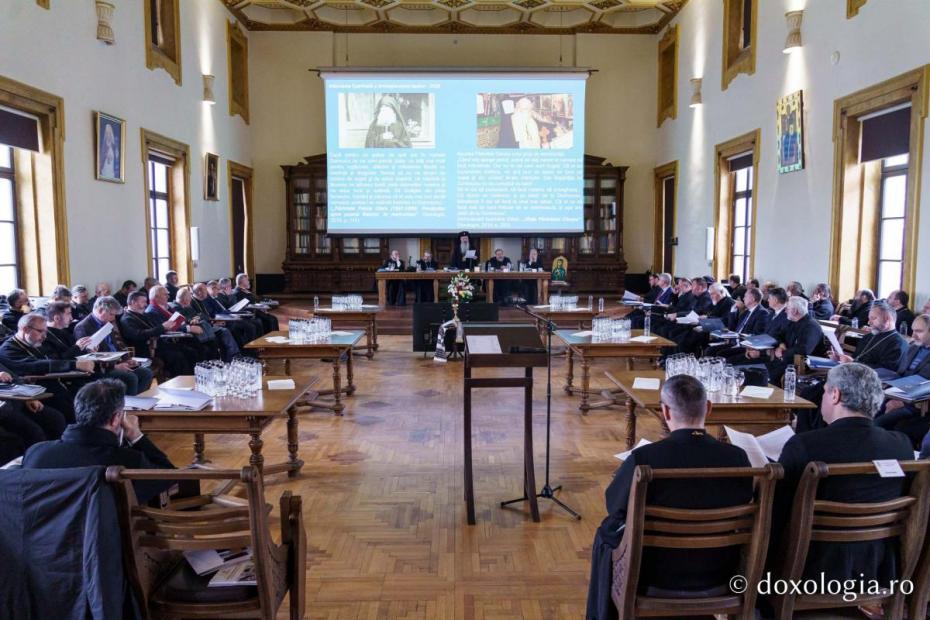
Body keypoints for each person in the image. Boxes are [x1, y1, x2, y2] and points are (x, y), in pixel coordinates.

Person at [586, 375, 752, 620]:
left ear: (664, 411)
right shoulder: (737, 458)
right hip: (719, 573)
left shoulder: (644, 458)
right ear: (708, 408)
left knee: (606, 532)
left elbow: (614, 506)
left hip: (653, 574)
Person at [774, 363, 913, 588]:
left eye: (824, 391)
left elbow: (776, 509)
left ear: (835, 395)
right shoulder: (902, 445)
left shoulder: (805, 445)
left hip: (810, 568)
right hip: (878, 566)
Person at [23, 379, 175, 505]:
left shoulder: (36, 453)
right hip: (104, 532)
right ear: (116, 419)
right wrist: (135, 435)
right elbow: (169, 476)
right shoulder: (128, 461)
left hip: (46, 532)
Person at [795, 302, 907, 432]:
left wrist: (853, 362)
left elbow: (887, 372)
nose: (869, 322)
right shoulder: (869, 336)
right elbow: (857, 358)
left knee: (825, 396)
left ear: (887, 319)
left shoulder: (898, 343)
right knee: (809, 392)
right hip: (850, 379)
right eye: (869, 318)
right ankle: (807, 434)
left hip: (865, 387)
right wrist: (839, 358)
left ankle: (823, 434)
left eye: (873, 318)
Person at [0, 313, 95, 422]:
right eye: (40, 331)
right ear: (25, 329)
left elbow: (55, 359)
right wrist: (74, 365)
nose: (44, 336)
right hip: (39, 393)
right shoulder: (7, 350)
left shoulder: (33, 342)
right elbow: (36, 366)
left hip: (58, 385)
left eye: (46, 331)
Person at [73, 296, 154, 395]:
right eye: (111, 314)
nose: (114, 318)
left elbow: (118, 343)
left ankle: (137, 401)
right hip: (101, 369)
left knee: (146, 373)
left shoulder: (107, 322)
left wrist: (127, 359)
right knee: (130, 377)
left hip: (117, 362)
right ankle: (127, 404)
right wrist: (114, 367)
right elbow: (88, 357)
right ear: (101, 310)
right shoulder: (83, 327)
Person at [873, 313, 930, 443]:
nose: (913, 335)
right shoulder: (913, 347)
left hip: (917, 404)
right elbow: (900, 374)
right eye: (913, 330)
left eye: (919, 331)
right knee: (862, 415)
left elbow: (923, 383)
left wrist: (902, 401)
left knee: (877, 424)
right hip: (894, 394)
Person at [120, 290, 192, 377]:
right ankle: (180, 380)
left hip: (157, 345)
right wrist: (162, 327)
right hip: (145, 349)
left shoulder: (143, 315)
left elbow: (154, 328)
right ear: (133, 302)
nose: (146, 304)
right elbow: (138, 335)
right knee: (177, 356)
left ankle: (191, 378)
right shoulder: (127, 319)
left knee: (187, 350)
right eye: (143, 302)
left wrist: (166, 328)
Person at [0, 362, 66, 449]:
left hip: (18, 401)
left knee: (55, 418)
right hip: (5, 409)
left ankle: (59, 452)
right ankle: (38, 456)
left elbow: (16, 379)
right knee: (34, 432)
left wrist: (28, 397)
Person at [172, 286, 234, 361]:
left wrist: (196, 319)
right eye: (189, 298)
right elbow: (183, 321)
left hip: (203, 329)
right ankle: (223, 360)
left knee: (216, 340)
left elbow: (200, 316)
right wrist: (192, 320)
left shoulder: (187, 306)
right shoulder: (175, 308)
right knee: (215, 339)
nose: (191, 299)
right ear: (185, 299)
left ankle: (225, 360)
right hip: (191, 334)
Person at [192, 282, 258, 347]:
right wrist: (214, 323)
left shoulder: (210, 298)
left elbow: (211, 314)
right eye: (218, 289)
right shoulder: (205, 299)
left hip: (224, 318)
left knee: (252, 323)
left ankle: (249, 348)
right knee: (241, 327)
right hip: (219, 321)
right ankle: (245, 349)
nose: (219, 291)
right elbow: (210, 315)